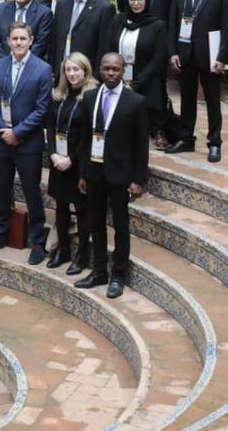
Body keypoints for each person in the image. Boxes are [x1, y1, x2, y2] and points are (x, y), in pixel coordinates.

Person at [75, 52, 150, 298]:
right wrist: (83, 173)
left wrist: (139, 180)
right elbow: (85, 140)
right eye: (106, 69)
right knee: (95, 223)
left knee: (121, 226)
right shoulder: (89, 98)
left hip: (120, 175)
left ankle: (118, 274)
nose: (110, 73)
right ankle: (99, 271)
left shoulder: (135, 102)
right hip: (95, 173)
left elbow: (141, 146)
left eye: (115, 69)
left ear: (123, 70)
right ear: (99, 69)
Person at [0, 23, 53, 263]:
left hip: (27, 144)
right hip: (0, 141)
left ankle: (38, 242)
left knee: (32, 193)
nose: (18, 43)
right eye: (14, 38)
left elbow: (42, 110)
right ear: (8, 41)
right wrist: (4, 130)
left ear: (31, 40)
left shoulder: (42, 69)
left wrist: (17, 132)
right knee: (1, 191)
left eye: (23, 38)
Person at [166, 0, 228, 163]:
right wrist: (172, 52)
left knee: (213, 101)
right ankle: (186, 138)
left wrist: (222, 58)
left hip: (210, 56)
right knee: (187, 99)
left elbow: (227, 27)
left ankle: (215, 143)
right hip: (185, 54)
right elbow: (172, 23)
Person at [46, 52, 95, 275]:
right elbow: (50, 128)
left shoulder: (91, 97)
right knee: (61, 206)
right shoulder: (59, 94)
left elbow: (88, 137)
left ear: (85, 71)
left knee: (82, 210)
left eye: (77, 69)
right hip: (58, 161)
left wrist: (71, 159)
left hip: (79, 164)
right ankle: (63, 249)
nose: (72, 74)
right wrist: (54, 154)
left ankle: (82, 255)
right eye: (68, 70)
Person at [106, 0, 170, 148]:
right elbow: (108, 48)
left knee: (155, 84)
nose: (136, 3)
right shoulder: (117, 21)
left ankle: (158, 129)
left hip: (145, 75)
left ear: (147, 0)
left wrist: (136, 83)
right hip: (118, 73)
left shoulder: (157, 25)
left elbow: (158, 59)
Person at [50, 0, 116, 81]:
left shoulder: (104, 8)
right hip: (62, 73)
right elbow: (55, 40)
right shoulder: (62, 4)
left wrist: (96, 78)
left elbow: (104, 47)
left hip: (88, 74)